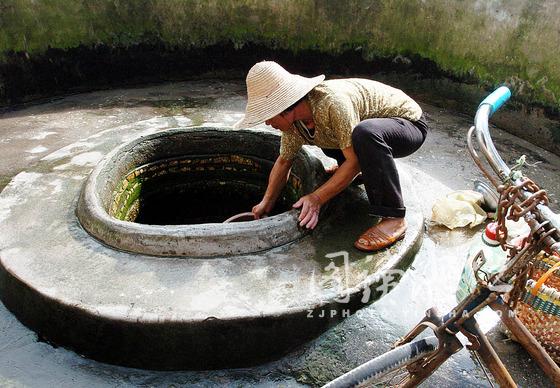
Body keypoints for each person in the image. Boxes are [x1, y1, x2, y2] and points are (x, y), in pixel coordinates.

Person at [234, 61, 428, 251]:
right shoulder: (294, 127)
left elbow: (354, 161)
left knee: (364, 134)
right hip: (366, 133)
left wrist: (317, 198)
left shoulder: (332, 103)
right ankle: (358, 172)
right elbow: (284, 161)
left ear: (284, 108)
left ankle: (393, 218)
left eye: (268, 114)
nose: (267, 122)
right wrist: (266, 203)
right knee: (335, 136)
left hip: (407, 123)